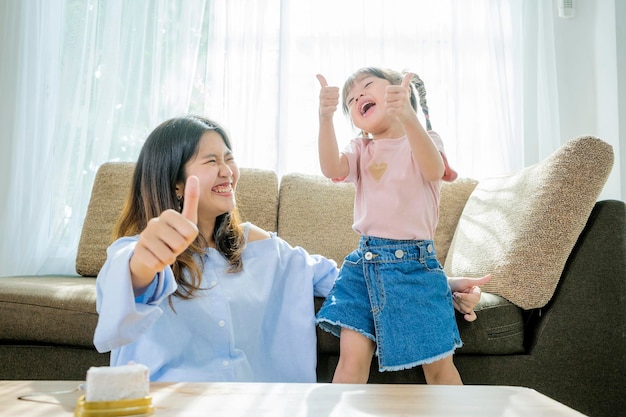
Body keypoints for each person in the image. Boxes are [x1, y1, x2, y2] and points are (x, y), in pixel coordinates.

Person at [93, 114, 488, 383]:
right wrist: (144, 264)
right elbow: (128, 283)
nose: (228, 171)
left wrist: (437, 285)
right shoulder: (135, 252)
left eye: (229, 159)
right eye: (211, 161)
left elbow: (343, 277)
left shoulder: (257, 245)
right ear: (175, 183)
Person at [315, 67, 481, 385]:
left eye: (367, 86)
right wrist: (325, 118)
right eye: (350, 100)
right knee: (351, 361)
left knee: (439, 368)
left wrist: (407, 116)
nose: (357, 96)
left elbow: (433, 170)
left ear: (399, 93)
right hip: (363, 267)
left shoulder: (426, 139)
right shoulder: (361, 149)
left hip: (416, 268)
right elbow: (330, 167)